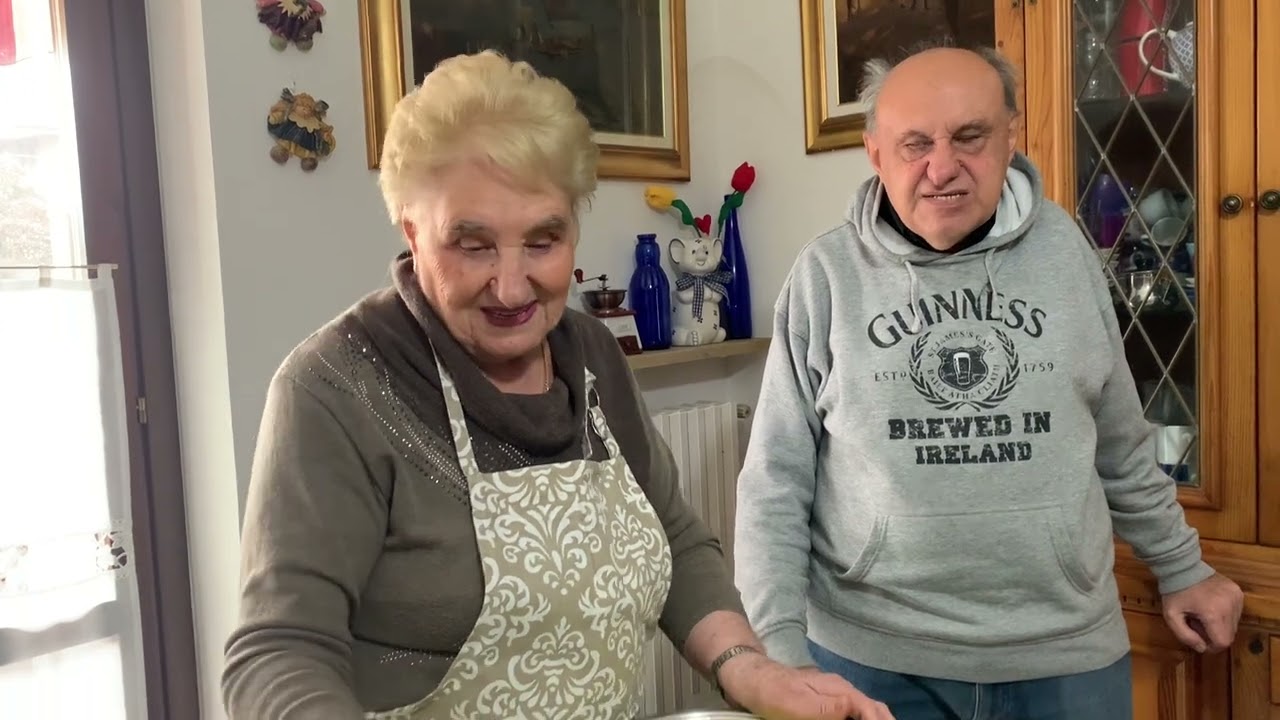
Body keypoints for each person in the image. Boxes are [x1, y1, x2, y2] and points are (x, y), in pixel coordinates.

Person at [222, 50, 892, 720]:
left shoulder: (591, 353)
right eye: (472, 244)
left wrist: (753, 674)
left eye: (543, 241)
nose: (512, 288)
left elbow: (679, 544)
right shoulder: (340, 389)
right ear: (413, 232)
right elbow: (280, 652)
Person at [733, 44, 1244, 720]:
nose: (941, 167)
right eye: (914, 144)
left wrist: (1182, 567)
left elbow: (1119, 440)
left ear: (1010, 139)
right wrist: (782, 653)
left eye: (968, 137)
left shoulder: (1068, 257)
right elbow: (776, 481)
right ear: (876, 155)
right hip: (870, 663)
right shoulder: (823, 278)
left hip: (1064, 657)